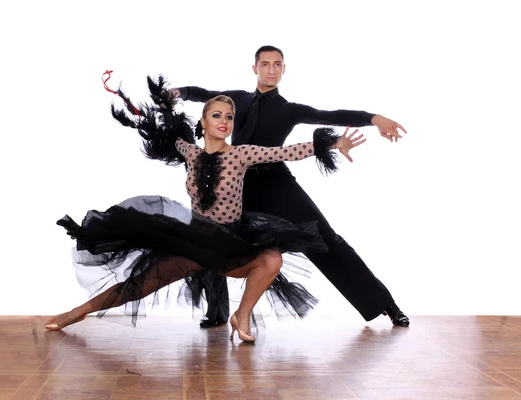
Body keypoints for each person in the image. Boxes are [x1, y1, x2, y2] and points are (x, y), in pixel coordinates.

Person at [45, 74, 366, 342]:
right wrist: (156, 109)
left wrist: (332, 143)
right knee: (140, 286)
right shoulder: (190, 152)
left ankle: (242, 316)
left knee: (272, 259)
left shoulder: (242, 154)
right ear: (203, 121)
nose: (225, 121)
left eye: (229, 117)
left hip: (232, 243)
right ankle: (76, 313)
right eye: (217, 115)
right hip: (194, 241)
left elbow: (286, 152)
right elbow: (165, 132)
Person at [171, 45, 410, 327]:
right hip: (236, 182)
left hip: (276, 183)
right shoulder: (235, 100)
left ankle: (385, 304)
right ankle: (217, 312)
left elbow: (330, 115)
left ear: (283, 69)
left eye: (277, 65)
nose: (271, 70)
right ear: (255, 68)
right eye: (265, 64)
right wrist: (178, 93)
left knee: (325, 239)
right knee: (211, 236)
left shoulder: (288, 110)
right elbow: (202, 94)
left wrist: (373, 119)